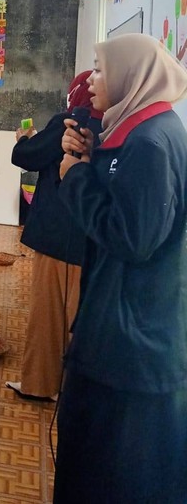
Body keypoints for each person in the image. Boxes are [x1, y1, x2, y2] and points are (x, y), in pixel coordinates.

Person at [55, 34, 187, 504]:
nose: (91, 79)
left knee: (110, 475)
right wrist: (91, 157)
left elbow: (132, 237)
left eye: (100, 69)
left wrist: (75, 178)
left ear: (132, 77)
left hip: (129, 346)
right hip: (122, 332)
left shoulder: (152, 142)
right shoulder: (140, 132)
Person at [5, 71, 102, 401]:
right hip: (93, 239)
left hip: (57, 233)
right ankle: (73, 392)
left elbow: (25, 157)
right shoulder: (116, 127)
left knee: (48, 315)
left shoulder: (69, 122)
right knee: (80, 318)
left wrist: (24, 138)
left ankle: (39, 384)